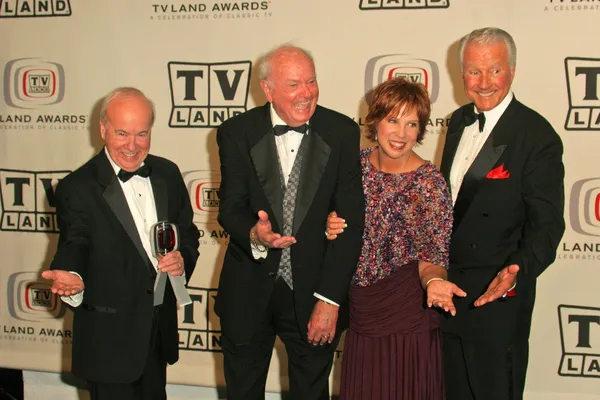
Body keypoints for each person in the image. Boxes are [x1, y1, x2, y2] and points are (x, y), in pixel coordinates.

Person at [214, 45, 365, 400]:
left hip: (314, 292)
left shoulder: (341, 131)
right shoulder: (236, 132)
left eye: (311, 81)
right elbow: (230, 209)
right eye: (294, 84)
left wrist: (329, 300)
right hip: (248, 291)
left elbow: (351, 221)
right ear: (267, 90)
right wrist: (254, 233)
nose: (307, 93)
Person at [42, 87, 200, 400]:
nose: (132, 145)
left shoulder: (167, 173)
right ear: (102, 129)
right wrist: (72, 274)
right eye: (122, 133)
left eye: (142, 134)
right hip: (108, 342)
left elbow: (188, 232)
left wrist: (182, 259)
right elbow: (77, 241)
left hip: (156, 334)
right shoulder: (77, 187)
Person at [439, 27, 565, 400]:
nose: (484, 82)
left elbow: (547, 225)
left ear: (512, 70)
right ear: (461, 74)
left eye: (494, 70)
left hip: (498, 297)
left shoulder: (536, 135)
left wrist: (517, 270)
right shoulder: (459, 120)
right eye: (474, 72)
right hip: (449, 293)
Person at [326, 78, 464, 399]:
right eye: (393, 120)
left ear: (421, 130)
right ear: (375, 121)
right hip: (361, 314)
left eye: (411, 124)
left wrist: (434, 283)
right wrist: (329, 225)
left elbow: (432, 256)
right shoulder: (353, 167)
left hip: (407, 315)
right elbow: (334, 225)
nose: (401, 134)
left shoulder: (429, 183)